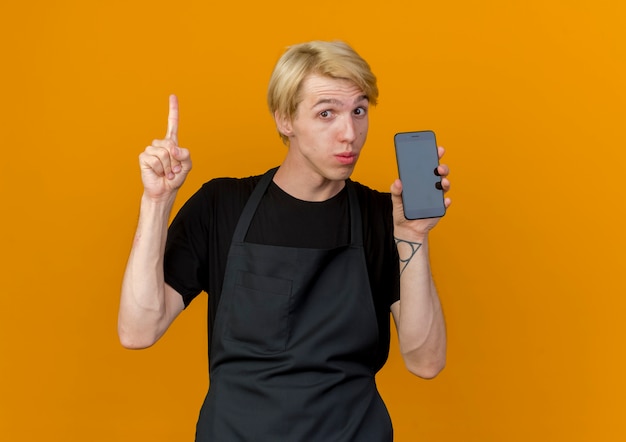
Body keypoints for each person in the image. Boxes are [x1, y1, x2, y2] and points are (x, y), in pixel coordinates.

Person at [118, 40, 451, 441]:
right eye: (326, 113)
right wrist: (157, 201)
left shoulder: (384, 218)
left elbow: (426, 360)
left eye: (359, 111)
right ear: (285, 119)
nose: (350, 134)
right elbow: (138, 330)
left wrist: (413, 236)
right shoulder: (222, 206)